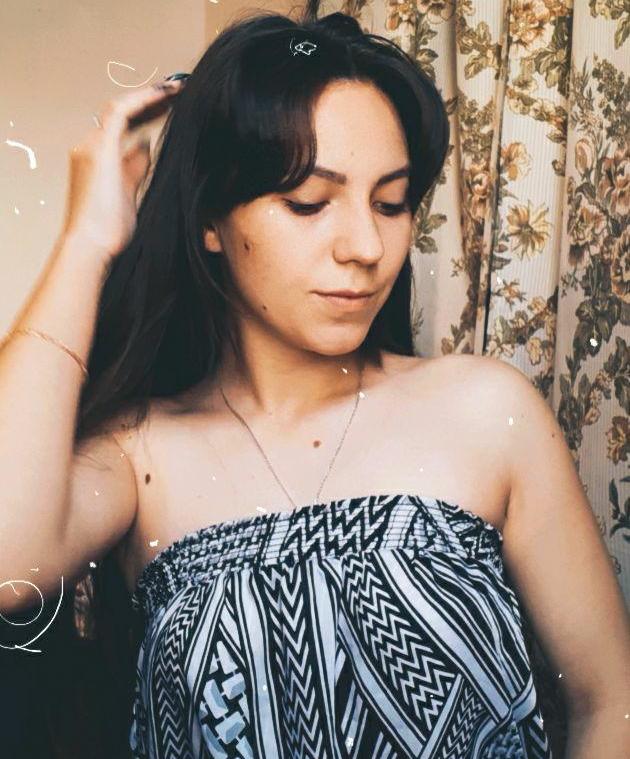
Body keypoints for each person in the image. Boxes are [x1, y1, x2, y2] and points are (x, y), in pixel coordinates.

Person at [1, 5, 628, 759]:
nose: (366, 246)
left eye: (391, 203)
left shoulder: (486, 412)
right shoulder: (140, 453)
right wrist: (88, 240)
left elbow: (611, 701)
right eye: (308, 203)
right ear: (210, 220)